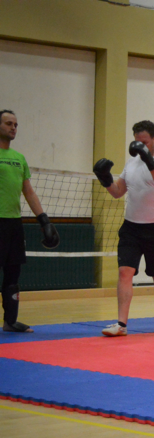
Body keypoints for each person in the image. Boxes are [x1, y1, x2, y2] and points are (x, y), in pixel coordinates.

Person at [92, 120, 154, 337]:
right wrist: (105, 178)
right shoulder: (130, 163)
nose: (140, 146)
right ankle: (121, 324)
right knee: (124, 272)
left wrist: (149, 160)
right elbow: (118, 191)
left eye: (144, 142)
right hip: (131, 227)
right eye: (137, 142)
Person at [0, 110, 60, 332]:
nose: (13, 127)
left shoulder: (19, 159)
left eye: (16, 124)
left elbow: (29, 192)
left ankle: (10, 321)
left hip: (14, 223)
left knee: (13, 273)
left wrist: (44, 220)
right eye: (8, 123)